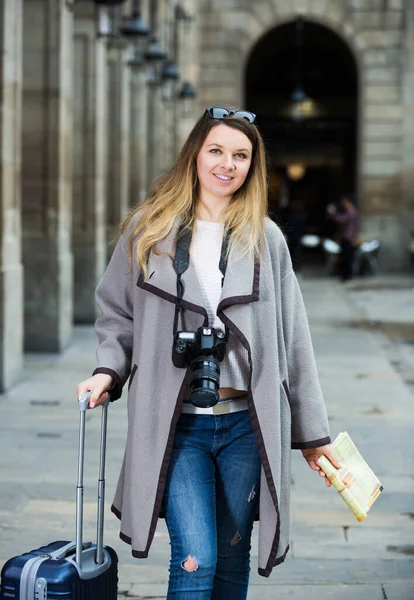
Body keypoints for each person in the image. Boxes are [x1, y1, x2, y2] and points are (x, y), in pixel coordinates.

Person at [77, 106, 340, 600]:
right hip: (176, 423)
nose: (228, 164)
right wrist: (106, 370)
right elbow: (117, 312)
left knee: (232, 557)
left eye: (241, 155)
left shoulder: (267, 239)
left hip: (246, 423)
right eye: (216, 150)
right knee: (196, 558)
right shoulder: (147, 230)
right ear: (194, 156)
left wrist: (312, 436)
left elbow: (294, 341)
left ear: (252, 166)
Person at [326, 195, 358, 281]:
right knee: (345, 257)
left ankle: (347, 275)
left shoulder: (351, 211)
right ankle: (345, 275)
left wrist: (333, 213)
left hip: (347, 237)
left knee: (347, 257)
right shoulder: (349, 210)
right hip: (345, 237)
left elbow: (342, 219)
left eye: (344, 201)